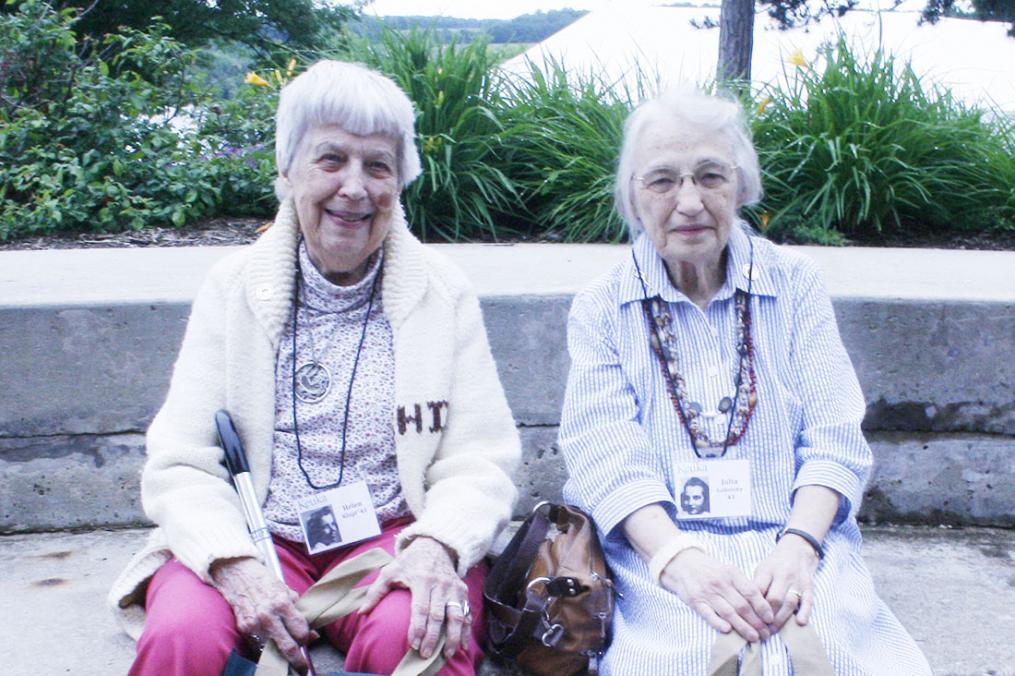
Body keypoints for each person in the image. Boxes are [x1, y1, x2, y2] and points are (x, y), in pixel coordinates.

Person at [108, 60, 521, 676]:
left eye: (377, 166)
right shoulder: (233, 287)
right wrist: (232, 563)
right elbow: (182, 462)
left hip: (392, 537)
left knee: (420, 634)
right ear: (287, 171)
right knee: (184, 634)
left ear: (400, 181)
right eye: (331, 160)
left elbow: (479, 459)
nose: (355, 188)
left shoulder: (443, 293)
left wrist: (436, 544)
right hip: (257, 536)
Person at [558, 90, 931, 674]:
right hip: (663, 552)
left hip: (795, 536)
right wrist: (680, 560)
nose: (689, 202)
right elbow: (605, 456)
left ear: (742, 186)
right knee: (687, 658)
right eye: (662, 181)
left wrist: (800, 546)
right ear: (632, 196)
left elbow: (834, 436)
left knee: (827, 652)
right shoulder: (602, 306)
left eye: (710, 176)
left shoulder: (796, 283)